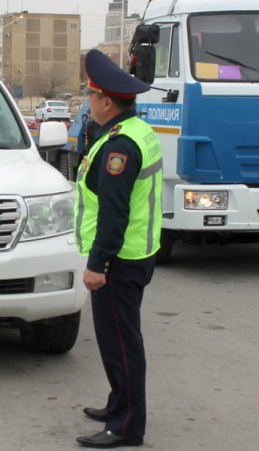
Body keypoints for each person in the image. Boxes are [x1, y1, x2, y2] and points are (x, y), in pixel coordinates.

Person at [74, 49, 163, 449]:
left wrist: (98, 263)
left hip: (119, 259)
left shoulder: (119, 147)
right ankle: (118, 404)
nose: (88, 102)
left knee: (121, 343)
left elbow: (114, 213)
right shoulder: (136, 131)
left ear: (107, 101)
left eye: (90, 95)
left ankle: (126, 425)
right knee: (120, 340)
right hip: (135, 254)